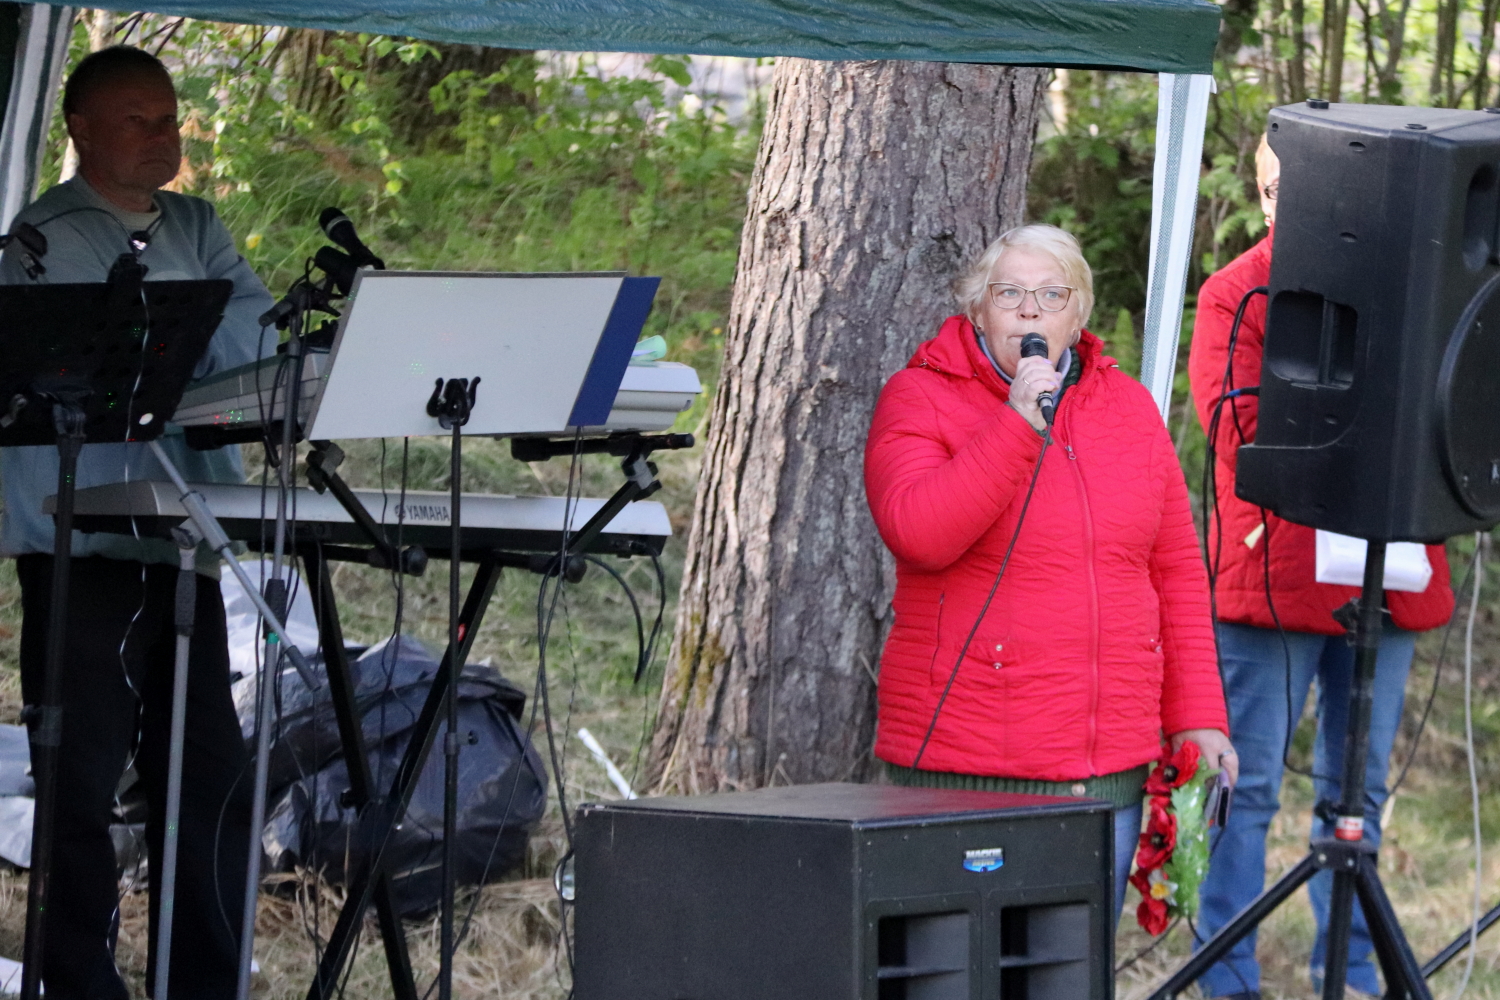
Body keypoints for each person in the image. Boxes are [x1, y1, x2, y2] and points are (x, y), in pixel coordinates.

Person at [0, 46, 276, 999]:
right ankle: (77, 983)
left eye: (169, 119)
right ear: (80, 130)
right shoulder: (47, 237)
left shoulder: (197, 222)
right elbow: (148, 352)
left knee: (207, 777)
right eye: (137, 120)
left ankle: (203, 982)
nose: (163, 137)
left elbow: (252, 338)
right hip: (85, 543)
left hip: (183, 534)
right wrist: (196, 343)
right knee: (80, 782)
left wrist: (199, 344)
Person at [864, 223, 1234, 921]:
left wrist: (1198, 718)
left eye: (1051, 295)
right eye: (1009, 293)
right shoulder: (919, 396)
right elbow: (919, 534)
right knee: (959, 967)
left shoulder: (1129, 409)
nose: (1030, 311)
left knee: (1074, 966)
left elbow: (1176, 572)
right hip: (963, 769)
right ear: (979, 310)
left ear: (1078, 314)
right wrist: (1015, 422)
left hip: (1104, 771)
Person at [1187, 137, 1454, 999]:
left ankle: (1351, 972)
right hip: (1275, 574)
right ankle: (1225, 974)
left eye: (1303, 186)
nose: (1285, 203)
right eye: (1272, 188)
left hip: (1390, 570)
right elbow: (1235, 428)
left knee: (1357, 793)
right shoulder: (1237, 291)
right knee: (1247, 784)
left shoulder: (1416, 286)